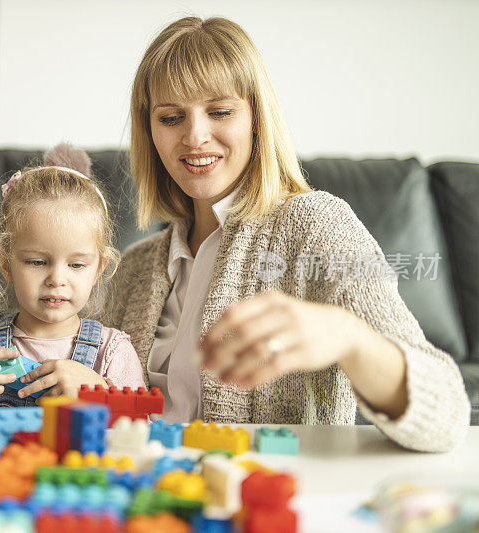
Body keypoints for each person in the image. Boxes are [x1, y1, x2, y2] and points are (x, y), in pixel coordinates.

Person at [104, 16, 469, 452]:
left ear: (256, 118)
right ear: (151, 131)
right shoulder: (136, 267)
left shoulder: (319, 227)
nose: (195, 136)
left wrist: (350, 338)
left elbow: (447, 413)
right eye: (170, 117)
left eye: (220, 111)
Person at [0, 145, 146, 418]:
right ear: (5, 263)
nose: (57, 279)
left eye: (76, 265)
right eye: (37, 262)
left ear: (99, 269)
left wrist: (96, 393)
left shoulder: (111, 352)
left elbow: (142, 434)